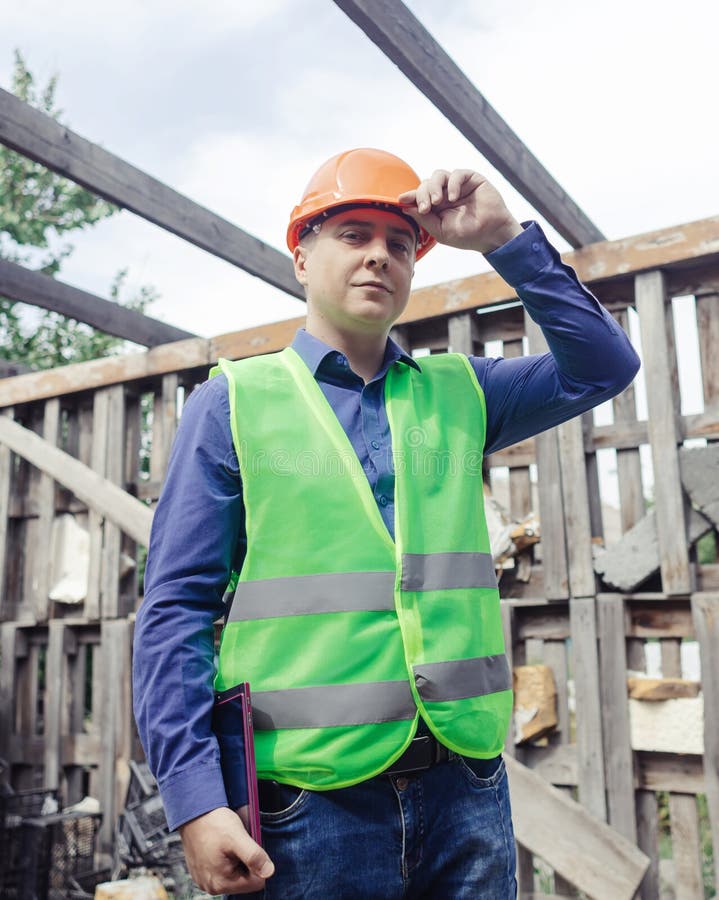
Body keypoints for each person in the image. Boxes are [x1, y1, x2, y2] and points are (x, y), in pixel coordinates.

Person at [133, 148, 640, 898]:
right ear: (301, 257)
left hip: (465, 787)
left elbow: (603, 365)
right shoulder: (234, 402)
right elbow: (175, 608)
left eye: (399, 243)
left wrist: (504, 238)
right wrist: (197, 801)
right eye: (352, 235)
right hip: (309, 805)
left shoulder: (462, 392)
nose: (379, 256)